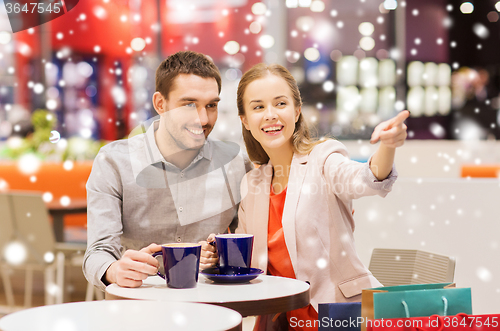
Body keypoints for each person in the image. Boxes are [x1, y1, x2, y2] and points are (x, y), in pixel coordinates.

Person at [203, 63, 408, 330]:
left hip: (341, 316)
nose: (270, 115)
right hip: (282, 319)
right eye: (258, 107)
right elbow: (248, 259)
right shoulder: (252, 183)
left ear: (297, 111)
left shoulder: (323, 159)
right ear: (244, 120)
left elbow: (367, 180)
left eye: (280, 103)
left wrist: (388, 146)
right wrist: (219, 253)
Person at [83, 51, 253, 291]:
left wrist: (218, 254)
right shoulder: (114, 162)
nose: (203, 119)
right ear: (160, 104)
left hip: (210, 307)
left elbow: (244, 244)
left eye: (211, 105)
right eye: (189, 105)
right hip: (137, 308)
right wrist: (115, 270)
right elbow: (98, 254)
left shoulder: (236, 164)